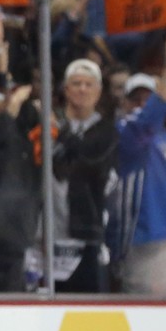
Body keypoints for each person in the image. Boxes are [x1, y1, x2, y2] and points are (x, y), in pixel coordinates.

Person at [111, 33, 166, 295]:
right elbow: (145, 122)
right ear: (124, 103)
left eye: (147, 97)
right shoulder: (126, 131)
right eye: (135, 98)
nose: (141, 103)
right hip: (147, 240)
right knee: (149, 320)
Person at [50, 59, 118, 292]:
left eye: (89, 85)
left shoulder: (106, 131)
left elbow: (90, 162)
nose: (82, 89)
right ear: (65, 89)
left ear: (98, 92)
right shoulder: (45, 123)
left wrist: (60, 132)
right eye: (76, 83)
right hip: (45, 234)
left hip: (85, 233)